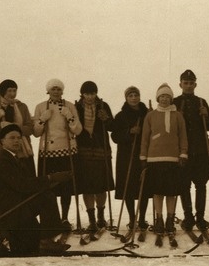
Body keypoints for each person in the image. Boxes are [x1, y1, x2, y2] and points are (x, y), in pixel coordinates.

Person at [0, 123, 71, 256]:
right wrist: (49, 178)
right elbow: (22, 185)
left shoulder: (13, 158)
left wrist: (50, 182)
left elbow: (26, 184)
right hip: (10, 210)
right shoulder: (3, 160)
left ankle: (43, 240)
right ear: (2, 141)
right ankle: (46, 241)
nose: (16, 141)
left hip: (18, 205)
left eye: (19, 138)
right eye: (12, 138)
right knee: (47, 197)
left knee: (30, 243)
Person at [32, 79, 83, 229]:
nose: (56, 92)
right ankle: (51, 219)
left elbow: (78, 130)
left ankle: (65, 218)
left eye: (59, 89)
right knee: (49, 187)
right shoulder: (40, 107)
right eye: (53, 89)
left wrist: (70, 117)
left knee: (66, 187)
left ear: (62, 91)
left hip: (67, 150)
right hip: (48, 152)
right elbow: (36, 132)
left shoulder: (70, 106)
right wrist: (42, 119)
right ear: (48, 91)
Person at [140, 83, 188, 235]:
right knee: (158, 191)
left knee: (171, 192)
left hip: (173, 159)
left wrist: (183, 153)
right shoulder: (151, 115)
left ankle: (169, 219)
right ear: (157, 98)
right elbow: (145, 138)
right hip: (154, 159)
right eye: (162, 96)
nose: (165, 99)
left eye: (167, 96)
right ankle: (159, 219)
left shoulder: (178, 115)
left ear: (171, 98)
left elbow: (183, 136)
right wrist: (143, 156)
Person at [173, 69, 209, 231]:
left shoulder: (201, 102)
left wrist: (206, 116)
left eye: (191, 83)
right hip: (182, 150)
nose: (188, 86)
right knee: (184, 185)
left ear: (195, 84)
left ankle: (201, 217)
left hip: (201, 150)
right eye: (185, 83)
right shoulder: (174, 102)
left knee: (201, 184)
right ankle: (188, 217)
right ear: (180, 84)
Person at [74, 81, 115, 231]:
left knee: (100, 186)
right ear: (82, 94)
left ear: (96, 93)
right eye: (87, 94)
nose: (90, 97)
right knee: (87, 187)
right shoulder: (77, 107)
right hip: (83, 150)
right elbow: (72, 128)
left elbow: (112, 127)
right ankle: (91, 220)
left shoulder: (104, 106)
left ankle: (101, 217)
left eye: (92, 93)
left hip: (100, 149)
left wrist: (106, 119)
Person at [112, 86, 151, 230]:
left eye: (136, 95)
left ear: (139, 97)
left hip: (143, 153)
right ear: (126, 98)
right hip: (126, 155)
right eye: (130, 96)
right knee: (128, 187)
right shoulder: (121, 115)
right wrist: (129, 132)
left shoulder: (147, 114)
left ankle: (142, 219)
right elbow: (114, 136)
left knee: (144, 187)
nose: (134, 98)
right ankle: (132, 218)